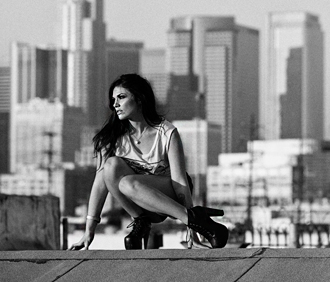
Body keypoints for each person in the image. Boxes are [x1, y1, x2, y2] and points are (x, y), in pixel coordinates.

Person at [69, 73, 228, 250]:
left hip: (171, 195)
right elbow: (100, 184)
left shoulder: (166, 132)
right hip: (141, 204)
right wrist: (88, 232)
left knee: (127, 183)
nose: (115, 104)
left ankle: (193, 219)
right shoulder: (111, 138)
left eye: (121, 97)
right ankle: (142, 221)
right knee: (111, 166)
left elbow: (179, 181)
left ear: (139, 99)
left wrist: (191, 229)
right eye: (113, 99)